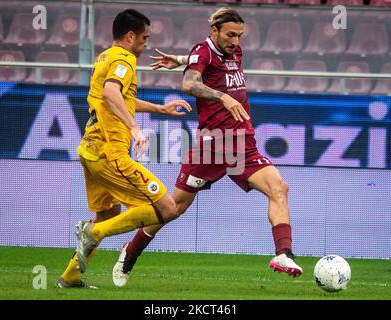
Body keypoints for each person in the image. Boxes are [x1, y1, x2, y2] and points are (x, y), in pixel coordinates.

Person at [112, 7, 303, 288]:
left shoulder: (233, 51)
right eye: (230, 35)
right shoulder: (204, 50)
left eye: (239, 35)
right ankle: (131, 250)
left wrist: (177, 59)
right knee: (173, 208)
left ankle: (283, 253)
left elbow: (196, 59)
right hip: (212, 146)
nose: (236, 41)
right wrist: (222, 97)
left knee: (279, 188)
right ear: (214, 31)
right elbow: (189, 83)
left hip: (242, 144)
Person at [55, 9, 191, 288]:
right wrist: (134, 128)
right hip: (110, 153)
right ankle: (94, 233)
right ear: (130, 36)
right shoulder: (125, 59)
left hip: (90, 151)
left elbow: (115, 97)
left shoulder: (104, 57)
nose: (145, 44)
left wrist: (159, 108)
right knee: (167, 208)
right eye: (144, 38)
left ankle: (70, 277)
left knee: (108, 212)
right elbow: (111, 93)